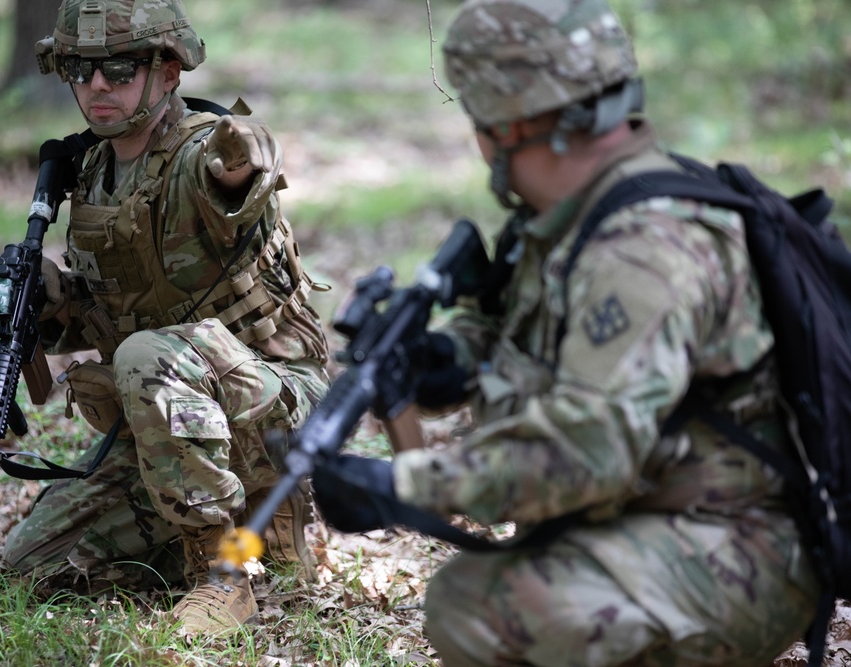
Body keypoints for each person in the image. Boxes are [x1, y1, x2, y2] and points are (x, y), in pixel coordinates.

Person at [311, 0, 821, 664]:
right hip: (649, 516)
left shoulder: (642, 247)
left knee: (477, 604)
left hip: (738, 547)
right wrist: (446, 358)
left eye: (478, 119)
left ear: (515, 121)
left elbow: (588, 450)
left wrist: (403, 486)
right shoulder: (570, 215)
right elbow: (510, 327)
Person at [2, 0, 330, 633]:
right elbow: (116, 310)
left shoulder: (199, 154)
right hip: (178, 421)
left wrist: (239, 169)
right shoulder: (95, 169)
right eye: (80, 67)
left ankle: (227, 571)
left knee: (146, 357)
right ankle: (254, 519)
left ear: (170, 69)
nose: (97, 86)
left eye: (120, 69)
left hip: (275, 404)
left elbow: (236, 178)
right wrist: (55, 299)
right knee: (32, 562)